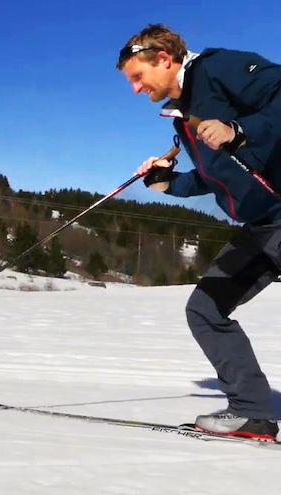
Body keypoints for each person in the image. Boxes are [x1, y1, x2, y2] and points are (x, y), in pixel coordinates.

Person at [118, 24, 281, 440]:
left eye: (138, 77)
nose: (135, 90)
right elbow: (218, 177)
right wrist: (168, 184)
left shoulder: (218, 69)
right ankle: (253, 412)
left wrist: (239, 131)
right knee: (206, 310)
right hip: (261, 226)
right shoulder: (183, 114)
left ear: (165, 59)